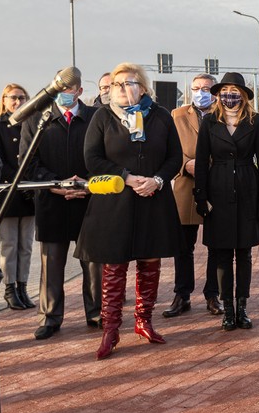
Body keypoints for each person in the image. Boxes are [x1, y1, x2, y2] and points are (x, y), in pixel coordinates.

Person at [74, 62, 183, 359]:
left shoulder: (161, 117)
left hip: (153, 198)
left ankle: (143, 321)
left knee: (150, 261)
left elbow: (175, 157)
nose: (121, 88)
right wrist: (125, 176)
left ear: (143, 87)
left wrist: (158, 180)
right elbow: (92, 158)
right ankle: (110, 329)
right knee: (114, 265)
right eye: (117, 84)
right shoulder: (102, 117)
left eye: (129, 82)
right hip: (115, 200)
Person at [20, 67, 101, 339]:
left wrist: (86, 185)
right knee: (51, 263)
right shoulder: (36, 119)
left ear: (79, 91)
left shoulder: (94, 118)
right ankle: (50, 317)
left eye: (70, 89)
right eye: (60, 88)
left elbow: (105, 157)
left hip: (88, 201)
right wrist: (58, 186)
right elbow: (28, 165)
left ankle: (96, 313)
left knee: (92, 263)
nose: (65, 94)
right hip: (51, 203)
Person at [195, 72, 259, 331]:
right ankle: (228, 309)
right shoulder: (209, 122)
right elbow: (202, 161)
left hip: (248, 187)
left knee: (244, 254)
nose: (229, 94)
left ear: (243, 95)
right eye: (225, 90)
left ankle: (243, 307)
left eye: (234, 90)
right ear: (219, 94)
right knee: (222, 254)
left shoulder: (255, 121)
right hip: (218, 189)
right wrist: (201, 196)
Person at [164, 73, 223, 318]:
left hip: (216, 186)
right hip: (186, 187)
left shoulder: (224, 115)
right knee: (183, 246)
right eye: (196, 88)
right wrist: (184, 165)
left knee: (216, 245)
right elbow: (167, 149)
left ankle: (213, 295)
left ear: (215, 91)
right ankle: (182, 294)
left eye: (206, 88)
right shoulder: (177, 115)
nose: (201, 92)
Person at [0, 85, 27, 310]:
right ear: (4, 100)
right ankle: (10, 288)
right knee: (10, 244)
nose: (18, 101)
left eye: (22, 98)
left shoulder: (31, 124)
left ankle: (23, 286)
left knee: (27, 245)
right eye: (13, 98)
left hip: (28, 192)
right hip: (7, 191)